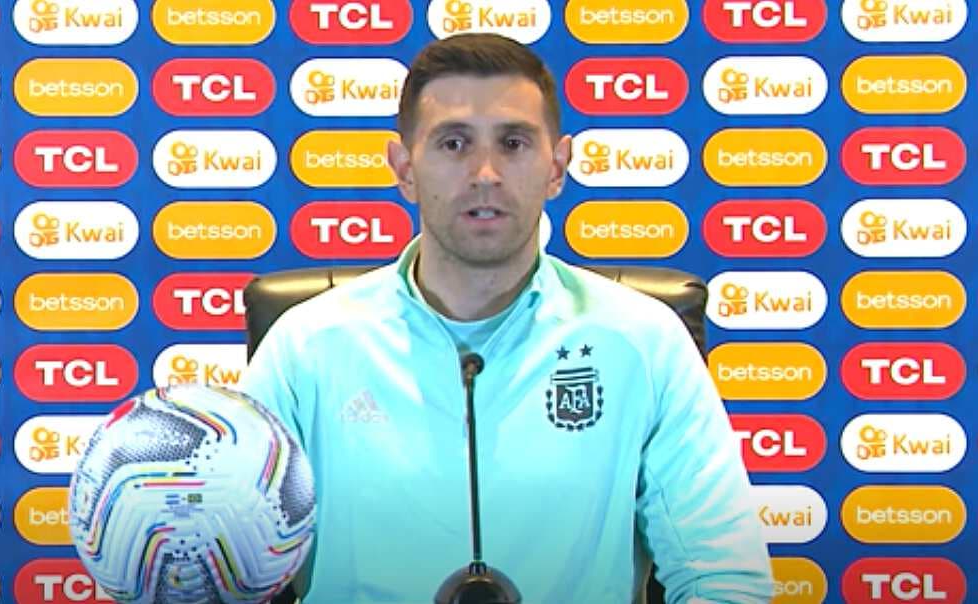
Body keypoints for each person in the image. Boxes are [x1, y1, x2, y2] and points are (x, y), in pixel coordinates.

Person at [238, 33, 773, 603]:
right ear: (405, 169)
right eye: (454, 144)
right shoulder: (305, 348)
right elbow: (224, 566)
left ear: (557, 167)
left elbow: (724, 578)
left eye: (514, 143)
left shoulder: (644, 341)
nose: (486, 173)